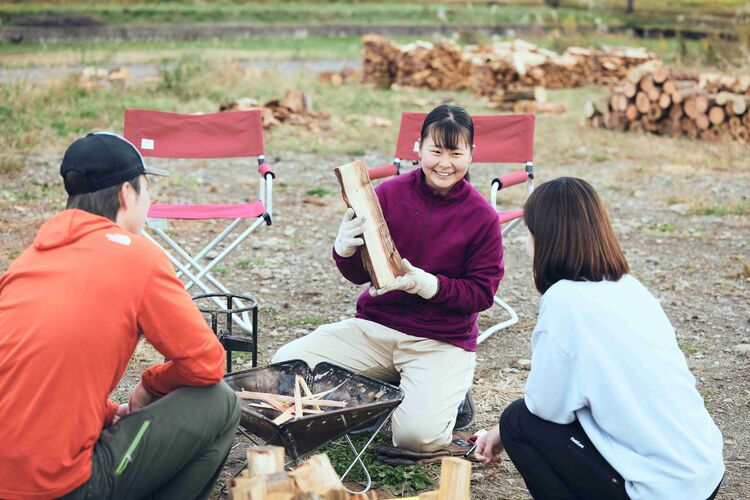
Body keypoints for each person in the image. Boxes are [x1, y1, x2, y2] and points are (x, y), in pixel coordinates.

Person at [0, 133, 240, 499]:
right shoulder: (137, 258)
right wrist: (150, 385)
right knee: (220, 401)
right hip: (55, 488)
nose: (150, 200)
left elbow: (37, 378)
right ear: (126, 194)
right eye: (146, 188)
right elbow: (208, 363)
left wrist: (109, 413)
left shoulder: (26, 263)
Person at [474, 177, 724, 499]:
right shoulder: (630, 288)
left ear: (546, 237)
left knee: (518, 421)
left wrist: (501, 431)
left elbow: (545, 408)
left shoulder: (564, 301)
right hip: (704, 473)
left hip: (660, 490)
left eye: (528, 232)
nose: (525, 244)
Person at [273, 104, 504, 452]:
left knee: (415, 438)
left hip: (440, 341)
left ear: (471, 153)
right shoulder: (387, 194)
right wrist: (344, 249)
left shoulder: (482, 217)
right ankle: (394, 394)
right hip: (375, 329)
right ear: (419, 148)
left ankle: (444, 397)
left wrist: (426, 284)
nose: (445, 163)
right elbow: (357, 274)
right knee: (284, 367)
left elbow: (481, 294)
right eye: (436, 151)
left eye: (456, 153)